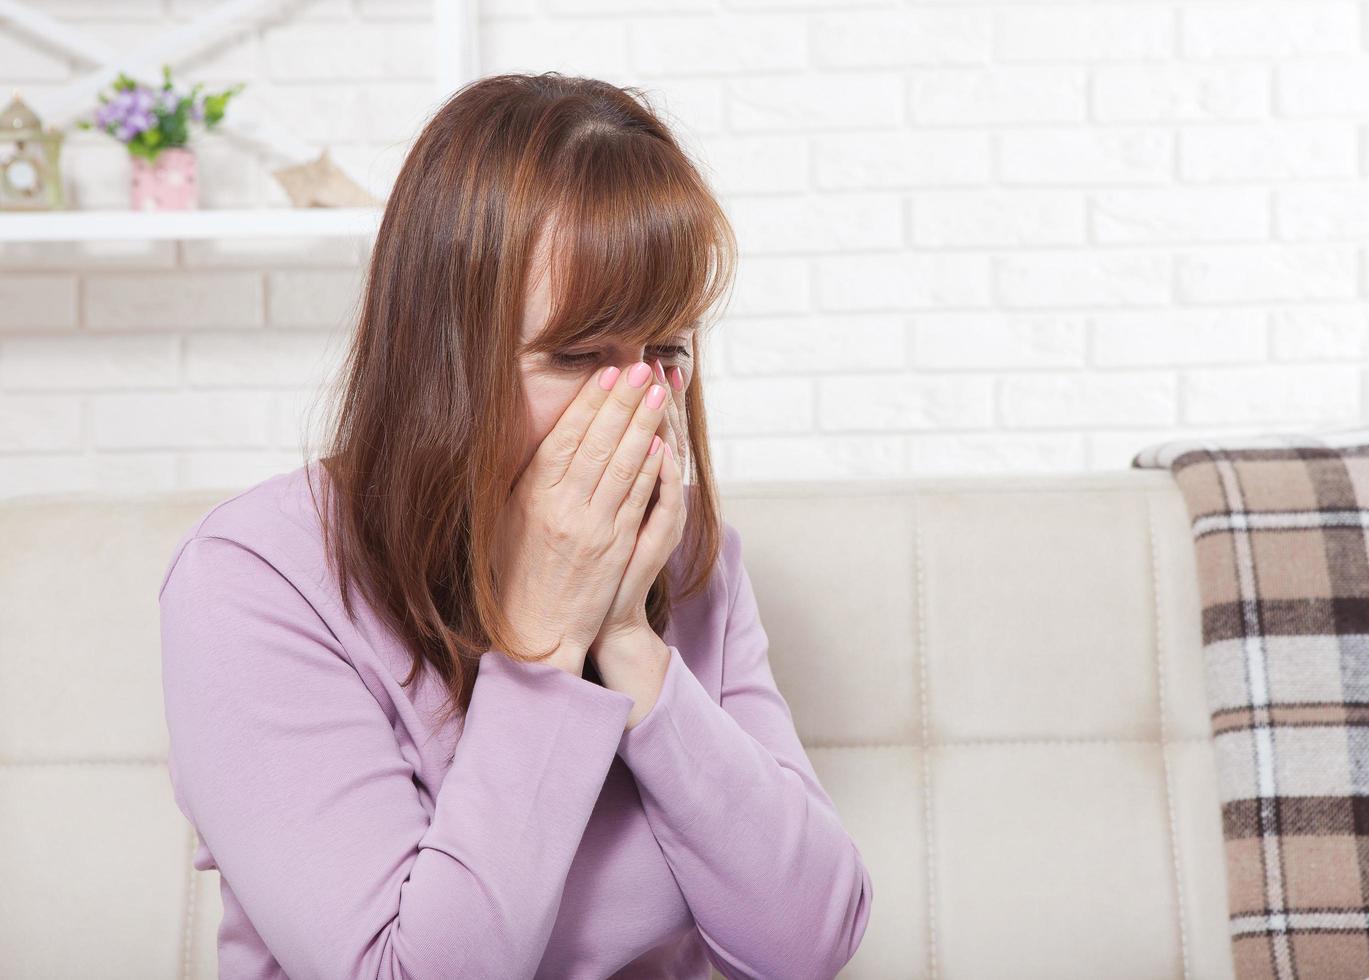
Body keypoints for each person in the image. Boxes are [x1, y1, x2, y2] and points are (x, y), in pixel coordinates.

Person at [157, 72, 874, 980]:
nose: (641, 403)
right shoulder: (254, 581)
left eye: (667, 349)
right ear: (440, 353)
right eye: (577, 356)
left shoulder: (690, 559)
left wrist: (628, 643)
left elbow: (806, 946)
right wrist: (544, 649)